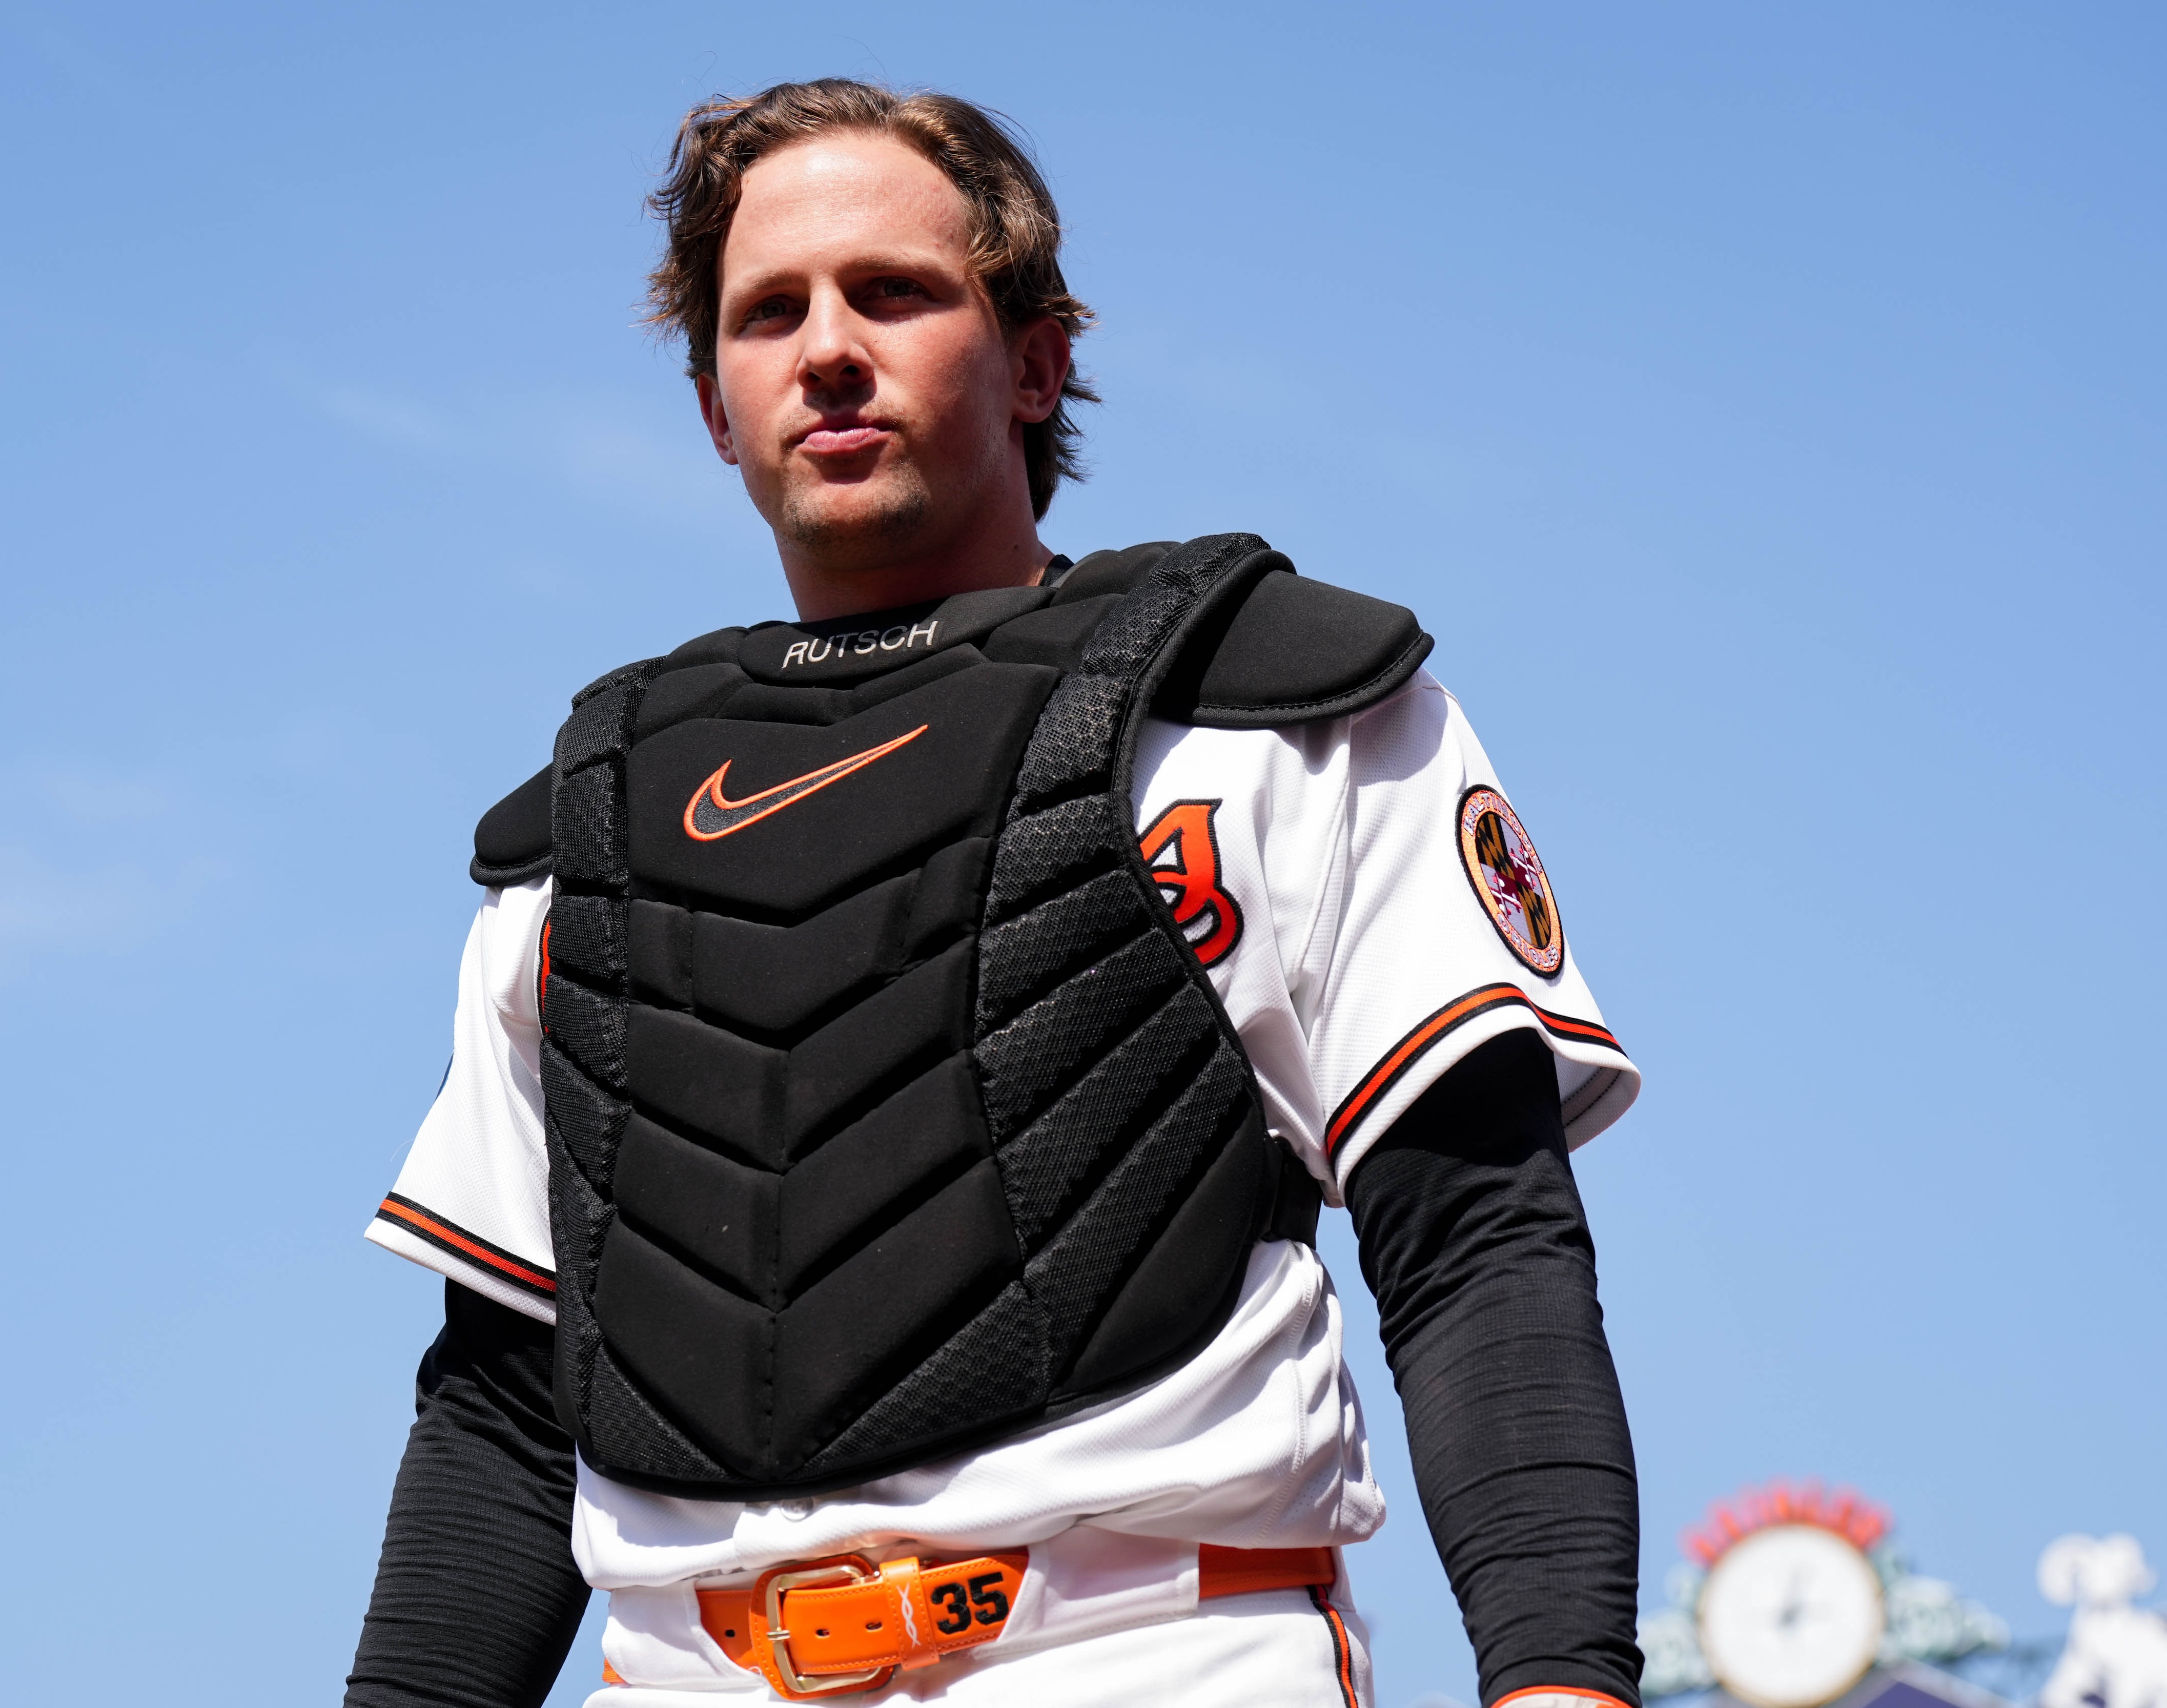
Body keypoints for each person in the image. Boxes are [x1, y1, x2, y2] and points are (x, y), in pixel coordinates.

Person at [344, 78, 1644, 1708]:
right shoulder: (585, 836)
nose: (826, 347)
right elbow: (508, 1403)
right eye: (768, 314)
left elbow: (1474, 1241)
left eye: (893, 291)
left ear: (1036, 360)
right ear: (712, 402)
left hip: (1149, 1651)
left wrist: (1562, 1682)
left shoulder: (1262, 712)